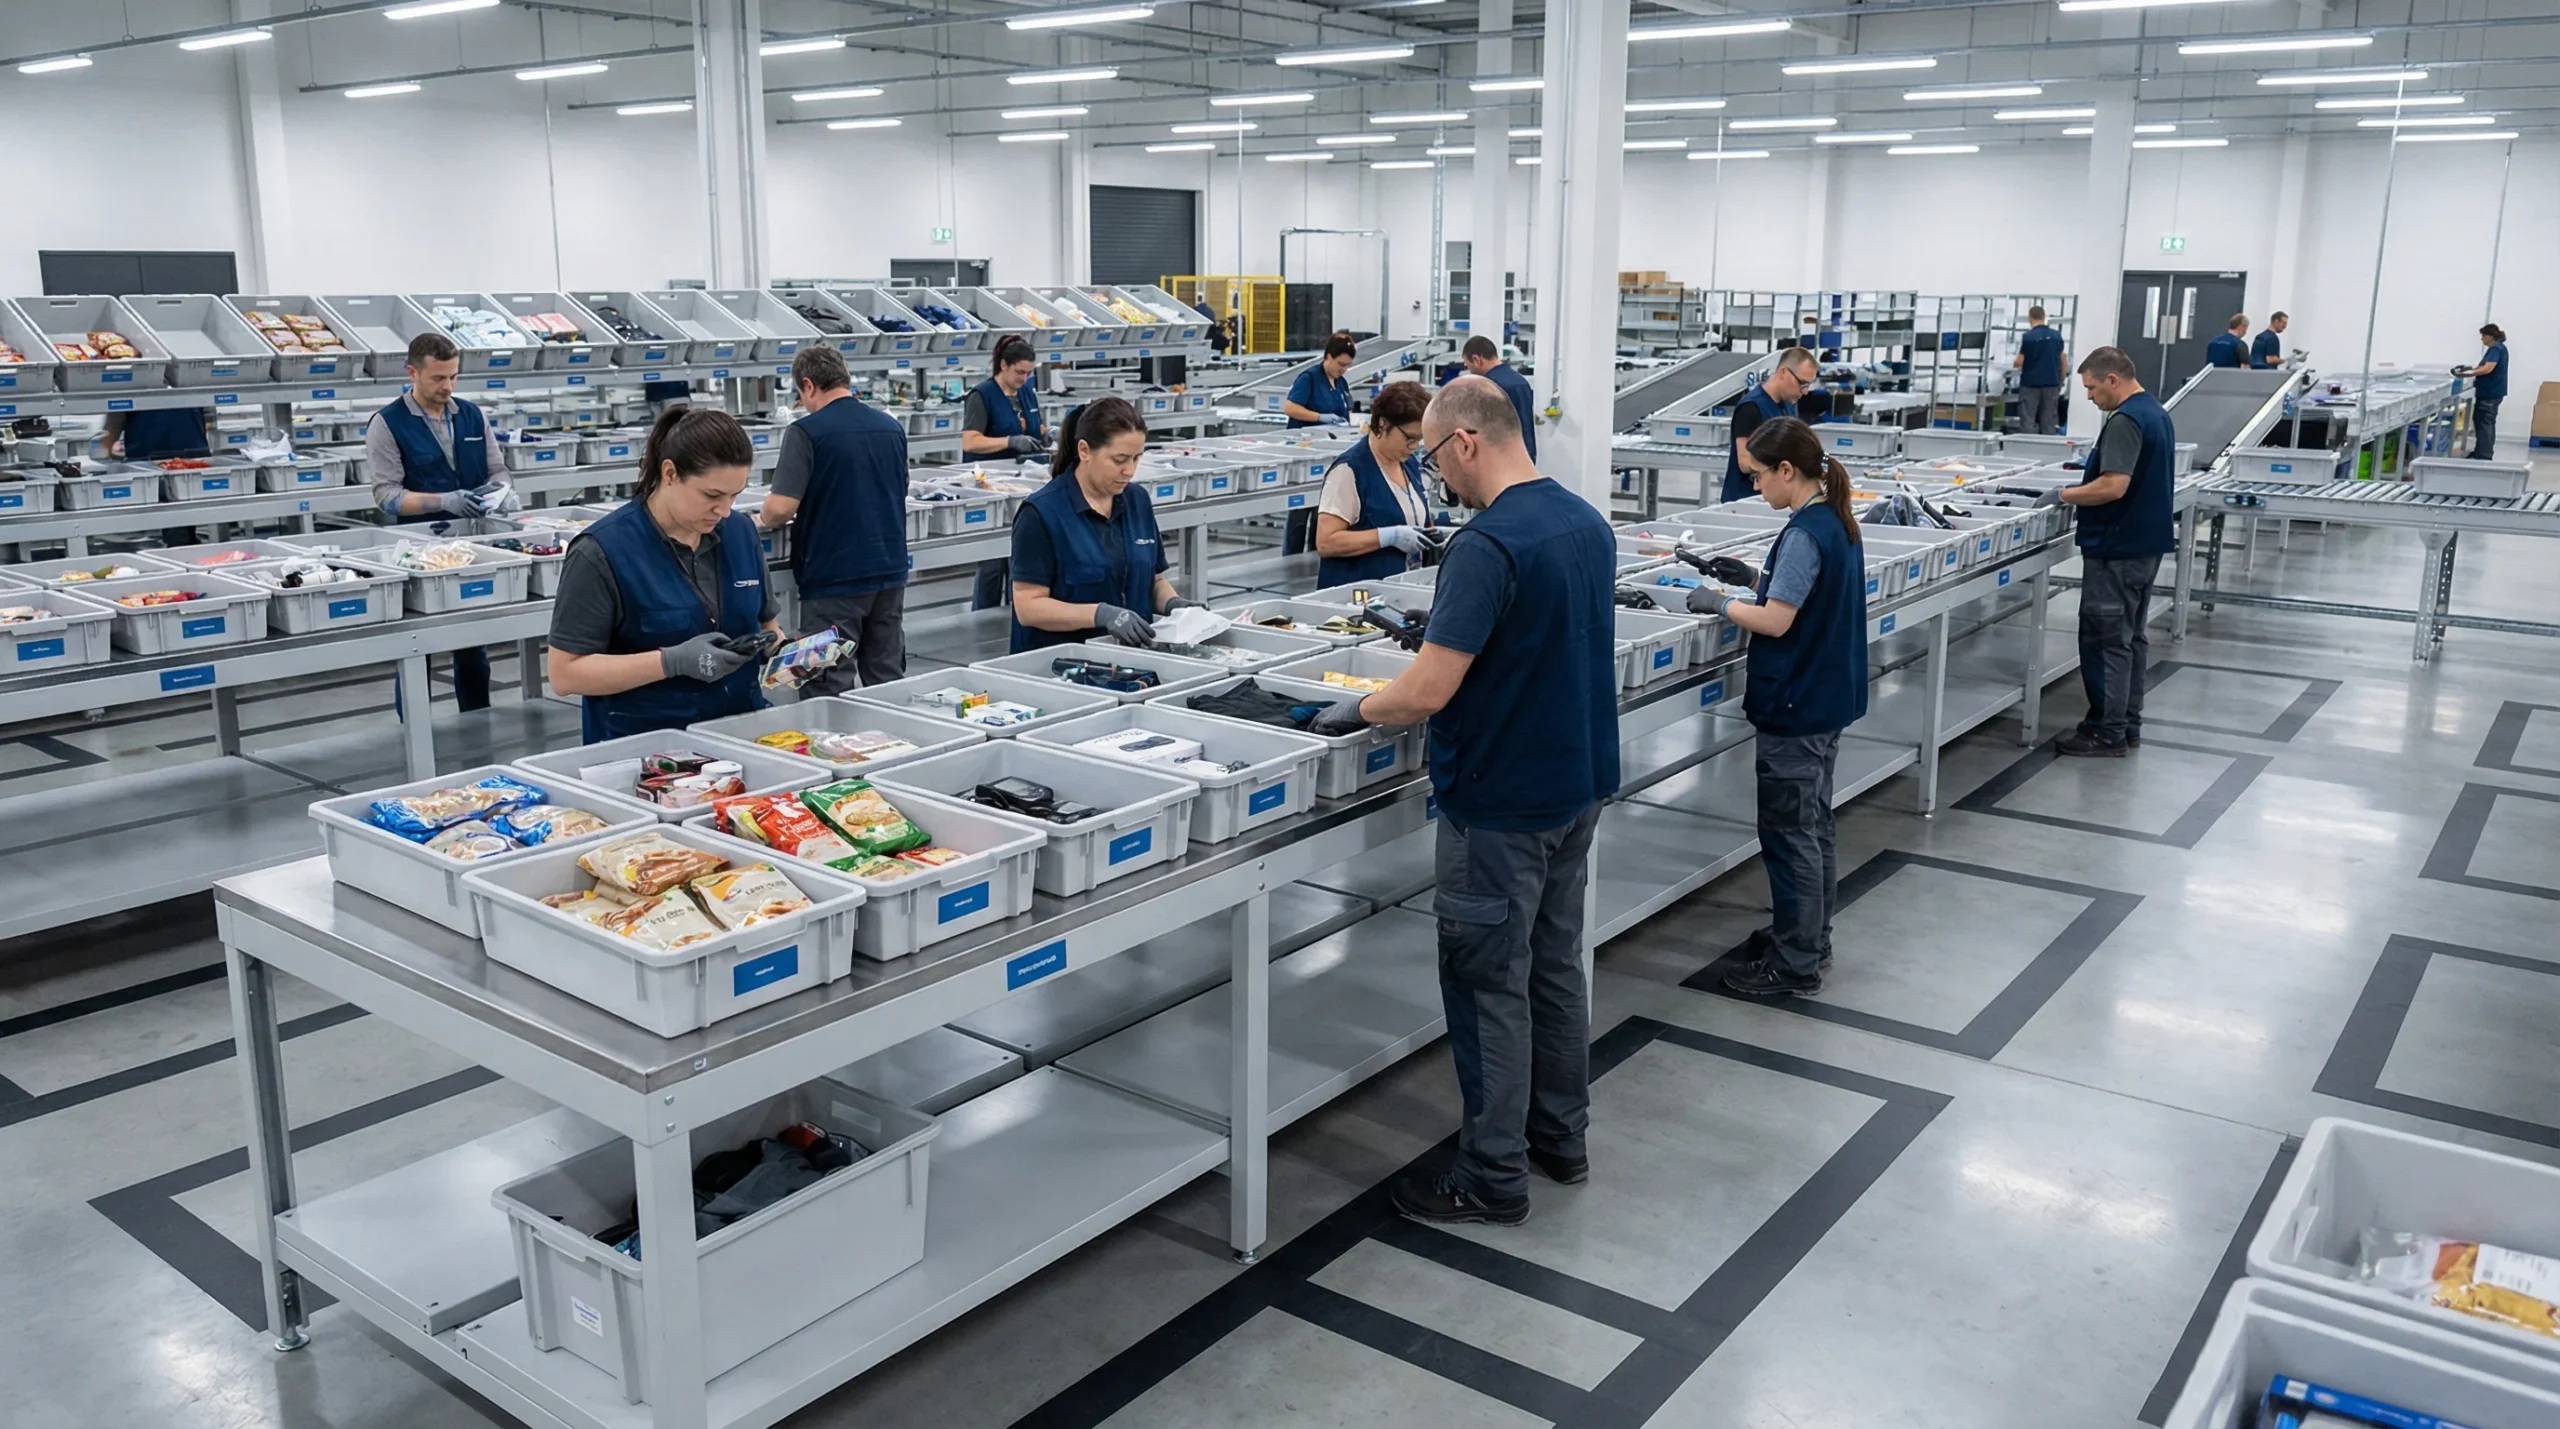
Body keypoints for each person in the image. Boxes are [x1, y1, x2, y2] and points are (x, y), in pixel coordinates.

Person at [1307, 375, 1619, 1228]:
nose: (1437, 475)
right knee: (1555, 967)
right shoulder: (1585, 521)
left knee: (1489, 985)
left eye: (1437, 458)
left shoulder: (1486, 545)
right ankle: (1560, 1138)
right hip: (1577, 784)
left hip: (1501, 803)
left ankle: (1492, 1173)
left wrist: (1356, 711)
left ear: (1468, 442)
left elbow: (1427, 690)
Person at [1686, 417, 1869, 996]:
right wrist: (1755, 578)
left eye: (1759, 476)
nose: (1756, 486)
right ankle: (1810, 936)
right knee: (1813, 826)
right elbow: (1805, 595)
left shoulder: (1804, 534)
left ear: (1787, 470)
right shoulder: (1833, 520)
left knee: (1791, 835)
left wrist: (1718, 602)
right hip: (1826, 698)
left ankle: (1794, 963)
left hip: (1798, 705)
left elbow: (1776, 621)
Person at [548, 406, 776, 742]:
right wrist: (670, 662)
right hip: (645, 749)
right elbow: (565, 674)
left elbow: (767, 627)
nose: (725, 510)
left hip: (739, 735)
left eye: (735, 495)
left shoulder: (740, 532)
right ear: (669, 473)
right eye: (712, 495)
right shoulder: (602, 552)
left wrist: (792, 655)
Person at [366, 331, 510, 712]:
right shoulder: (387, 424)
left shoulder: (472, 416)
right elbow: (387, 496)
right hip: (417, 551)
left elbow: (497, 469)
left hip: (470, 546)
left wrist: (502, 492)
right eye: (438, 378)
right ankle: (414, 734)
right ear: (412, 372)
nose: (448, 386)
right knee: (418, 649)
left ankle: (477, 726)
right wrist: (444, 501)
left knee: (472, 647)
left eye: (453, 377)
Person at [752, 347, 909, 693]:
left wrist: (757, 518)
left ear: (808, 385)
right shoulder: (890, 427)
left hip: (834, 577)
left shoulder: (805, 432)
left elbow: (779, 510)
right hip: (889, 570)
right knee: (886, 678)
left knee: (827, 683)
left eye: (801, 394)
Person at [2051, 347, 2176, 758]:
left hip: (2117, 549)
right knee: (2130, 639)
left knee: (2106, 641)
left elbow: (2113, 486)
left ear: (2112, 380)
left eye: (2091, 388)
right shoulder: (2155, 412)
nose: (2089, 397)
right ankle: (2127, 724)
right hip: (2143, 546)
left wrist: (2064, 495)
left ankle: (2106, 732)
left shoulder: (2125, 420)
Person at [1008, 396, 1207, 652]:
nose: (1130, 471)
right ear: (1084, 451)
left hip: (1132, 660)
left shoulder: (1137, 500)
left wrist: (1173, 604)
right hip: (1061, 664)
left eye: (1136, 458)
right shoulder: (1041, 513)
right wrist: (1100, 614)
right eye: (1119, 460)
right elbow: (1028, 607)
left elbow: (1154, 581)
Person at [1313, 380, 1441, 588]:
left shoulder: (1407, 463)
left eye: (1419, 439)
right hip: (1358, 594)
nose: (1414, 446)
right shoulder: (1350, 470)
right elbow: (1327, 542)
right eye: (1410, 438)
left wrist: (1435, 534)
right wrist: (1387, 536)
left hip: (1401, 590)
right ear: (1383, 424)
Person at [959, 335, 1050, 611]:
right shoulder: (982, 396)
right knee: (992, 561)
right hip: (988, 484)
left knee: (1020, 557)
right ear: (1003, 365)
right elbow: (970, 441)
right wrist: (1009, 441)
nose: (1024, 378)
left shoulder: (1026, 393)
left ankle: (1017, 613)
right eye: (1019, 372)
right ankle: (982, 615)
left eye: (1029, 373)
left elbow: (1034, 426)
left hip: (1022, 484)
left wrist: (1048, 434)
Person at [1282, 333, 1359, 556]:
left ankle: (1315, 556)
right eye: (1341, 364)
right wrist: (1320, 417)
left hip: (1330, 454)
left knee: (1323, 510)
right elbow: (1290, 408)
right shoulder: (1309, 378)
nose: (1344, 369)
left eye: (1347, 365)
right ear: (1328, 357)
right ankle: (1292, 557)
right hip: (1305, 453)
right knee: (1300, 511)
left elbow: (1347, 410)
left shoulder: (1341, 382)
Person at [1721, 347, 1816, 503]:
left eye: (1808, 386)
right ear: (1783, 373)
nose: (1805, 392)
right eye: (1802, 383)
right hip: (1747, 501)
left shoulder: (1789, 405)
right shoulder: (1752, 407)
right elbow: (1745, 462)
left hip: (1776, 499)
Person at [1459, 334, 1538, 459]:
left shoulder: (1488, 386)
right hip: (1525, 456)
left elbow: (1484, 430)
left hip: (1501, 459)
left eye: (1467, 365)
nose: (1469, 370)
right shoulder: (1520, 381)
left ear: (1476, 359)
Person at [2014, 306, 2068, 436]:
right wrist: (2061, 379)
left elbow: (2019, 363)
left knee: (2028, 419)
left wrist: (2015, 362)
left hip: (2030, 384)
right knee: (2049, 420)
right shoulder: (2056, 336)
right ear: (2044, 317)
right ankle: (2047, 446)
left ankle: (2028, 445)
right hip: (2051, 383)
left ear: (2030, 318)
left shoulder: (2028, 337)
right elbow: (2063, 360)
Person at [103, 406, 215, 462]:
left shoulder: (132, 378)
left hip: (145, 469)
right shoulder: (194, 375)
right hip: (195, 465)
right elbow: (209, 421)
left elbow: (112, 430)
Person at [2469, 323, 2509, 461]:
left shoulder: (2495, 349)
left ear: (2490, 336)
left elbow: (2488, 368)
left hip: (2490, 393)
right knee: (2485, 423)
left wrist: (2469, 373)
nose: (2482, 339)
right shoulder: (2498, 348)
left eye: (2483, 336)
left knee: (2484, 424)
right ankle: (2481, 451)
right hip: (2492, 392)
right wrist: (2474, 369)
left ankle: (2484, 455)